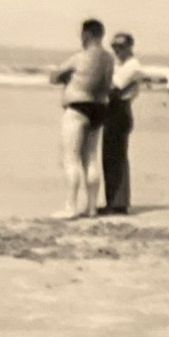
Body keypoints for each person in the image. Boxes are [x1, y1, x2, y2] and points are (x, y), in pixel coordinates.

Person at [49, 18, 114, 219]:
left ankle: (71, 206)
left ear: (86, 34)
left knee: (71, 158)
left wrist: (66, 79)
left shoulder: (79, 57)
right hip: (99, 107)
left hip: (77, 107)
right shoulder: (108, 58)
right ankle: (92, 207)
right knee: (91, 158)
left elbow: (54, 77)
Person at [101, 32, 142, 215]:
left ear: (130, 47)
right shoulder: (121, 64)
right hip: (114, 109)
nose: (117, 50)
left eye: (121, 46)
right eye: (114, 46)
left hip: (120, 109)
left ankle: (119, 204)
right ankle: (114, 201)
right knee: (110, 156)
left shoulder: (132, 66)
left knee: (116, 157)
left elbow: (114, 87)